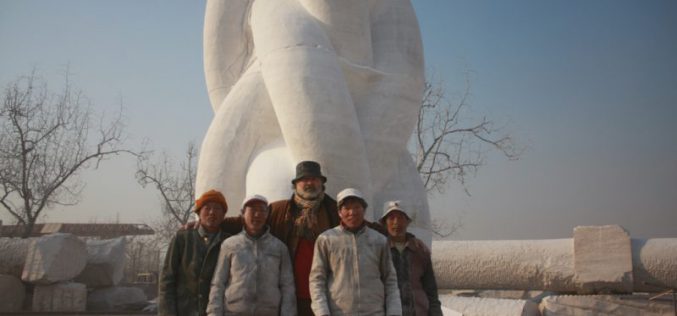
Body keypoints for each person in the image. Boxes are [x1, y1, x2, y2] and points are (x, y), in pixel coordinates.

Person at [309, 188, 401, 316]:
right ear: (339, 212)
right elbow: (317, 280)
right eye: (346, 208)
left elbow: (390, 280)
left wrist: (394, 312)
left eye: (357, 207)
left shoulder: (379, 240)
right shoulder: (327, 239)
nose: (352, 212)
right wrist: (322, 312)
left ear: (364, 210)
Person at [207, 194, 296, 316]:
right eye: (252, 210)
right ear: (243, 213)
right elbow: (218, 283)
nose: (257, 214)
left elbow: (288, 286)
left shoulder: (279, 248)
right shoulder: (229, 245)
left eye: (262, 210)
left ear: (267, 214)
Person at [159, 190, 230, 316]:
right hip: (184, 310)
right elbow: (167, 279)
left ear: (224, 214)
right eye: (207, 208)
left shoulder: (229, 243)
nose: (212, 212)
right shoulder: (183, 239)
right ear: (199, 212)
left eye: (217, 208)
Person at [380, 201, 442, 316]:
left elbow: (431, 290)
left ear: (408, 221)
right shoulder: (379, 250)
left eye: (400, 218)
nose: (396, 222)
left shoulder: (420, 249)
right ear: (384, 222)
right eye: (391, 218)